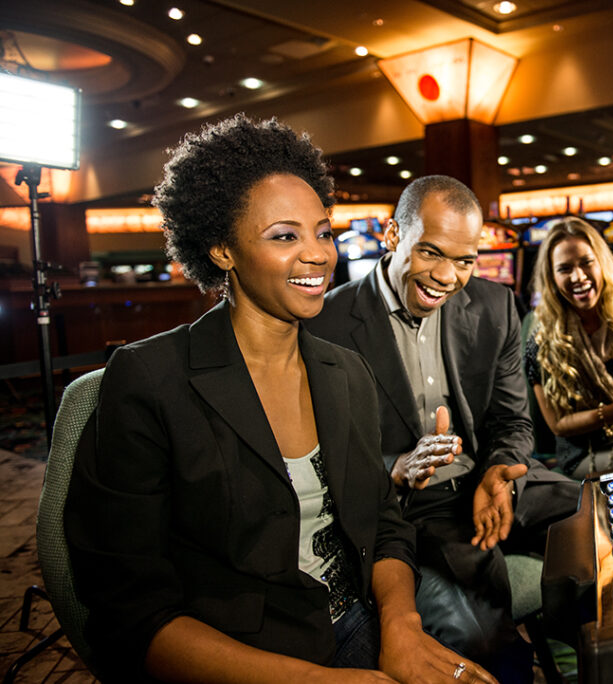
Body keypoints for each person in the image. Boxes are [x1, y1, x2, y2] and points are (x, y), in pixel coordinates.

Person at [64, 116, 494, 684]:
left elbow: (384, 524)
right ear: (221, 248)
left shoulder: (345, 370)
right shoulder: (149, 378)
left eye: (323, 232)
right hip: (244, 655)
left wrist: (402, 627)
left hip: (358, 617)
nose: (318, 255)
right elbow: (132, 613)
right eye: (285, 236)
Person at [306, 175, 578, 682]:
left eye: (465, 260)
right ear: (392, 236)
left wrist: (500, 472)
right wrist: (398, 468)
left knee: (610, 524)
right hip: (413, 502)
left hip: (492, 480)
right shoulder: (326, 322)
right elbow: (323, 454)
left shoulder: (495, 306)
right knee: (484, 622)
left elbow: (513, 421)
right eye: (431, 253)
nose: (447, 276)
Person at [524, 216, 613, 479]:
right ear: (551, 277)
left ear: (601, 262)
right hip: (584, 455)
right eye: (565, 268)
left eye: (586, 263)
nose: (578, 276)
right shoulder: (541, 339)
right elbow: (558, 424)